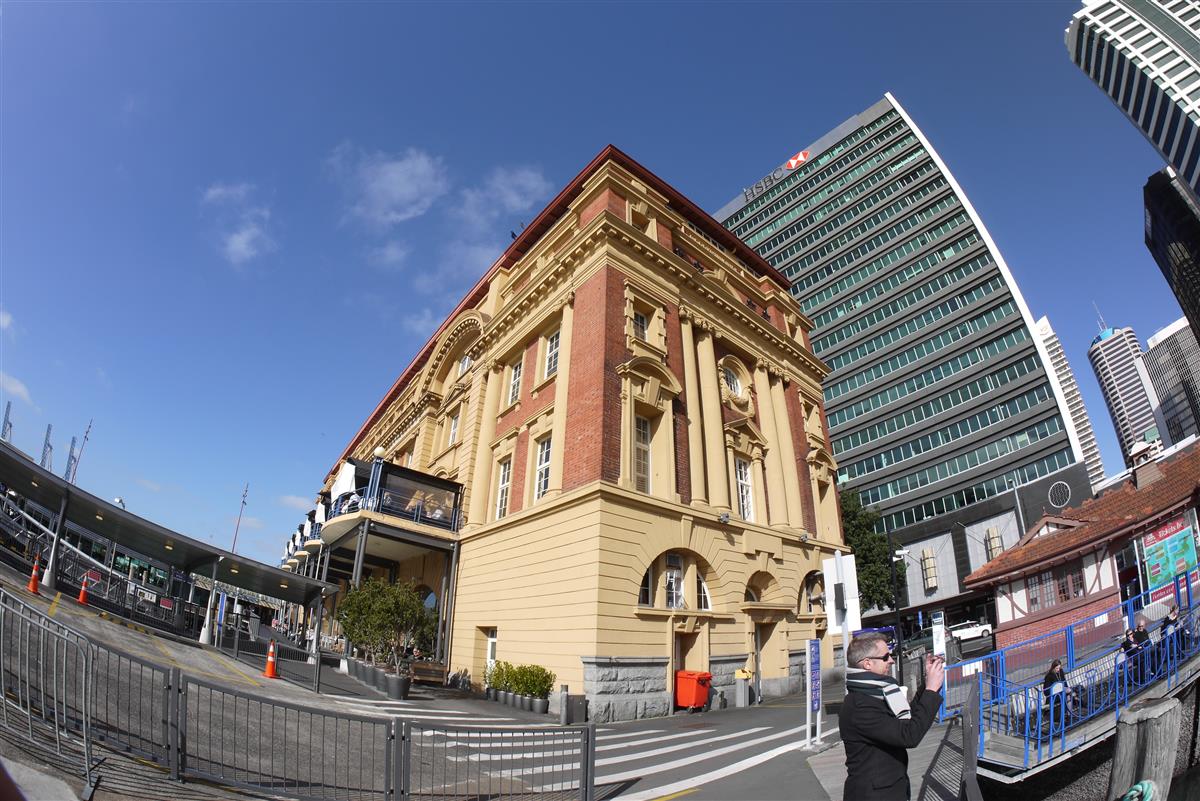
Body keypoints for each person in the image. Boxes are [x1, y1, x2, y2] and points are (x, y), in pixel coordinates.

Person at [841, 632, 944, 801]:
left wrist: (927, 684)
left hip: (889, 790)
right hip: (874, 795)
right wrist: (931, 691)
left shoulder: (876, 693)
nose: (891, 660)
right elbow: (908, 735)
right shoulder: (860, 706)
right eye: (885, 657)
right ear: (867, 663)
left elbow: (906, 721)